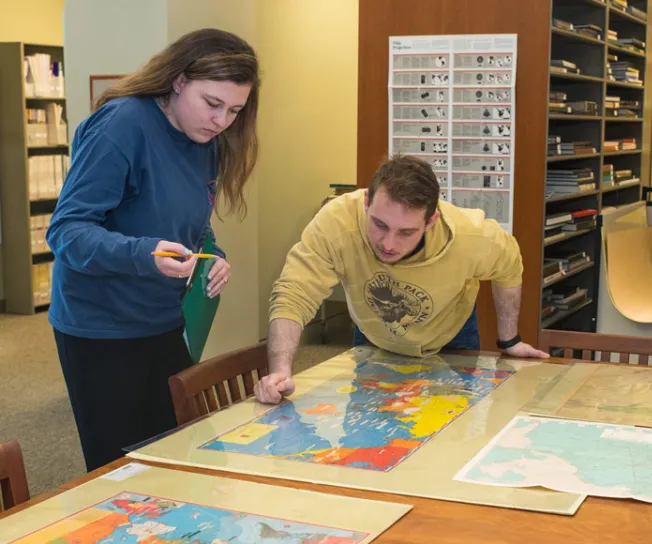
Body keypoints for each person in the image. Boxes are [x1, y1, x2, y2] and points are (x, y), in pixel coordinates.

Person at [46, 28, 260, 471]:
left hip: (162, 319)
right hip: (100, 327)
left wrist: (212, 256)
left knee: (177, 456)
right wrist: (145, 255)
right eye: (212, 104)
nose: (221, 121)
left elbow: (189, 224)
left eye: (235, 111)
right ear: (178, 80)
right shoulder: (123, 123)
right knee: (121, 470)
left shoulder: (208, 142)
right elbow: (67, 231)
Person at [254, 154, 547, 404]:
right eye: (379, 225)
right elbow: (294, 291)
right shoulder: (336, 221)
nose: (389, 243)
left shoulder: (473, 235)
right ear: (367, 202)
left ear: (431, 221)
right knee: (368, 433)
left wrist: (510, 339)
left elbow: (509, 267)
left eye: (406, 232)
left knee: (449, 430)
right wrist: (281, 371)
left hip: (450, 334)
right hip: (375, 333)